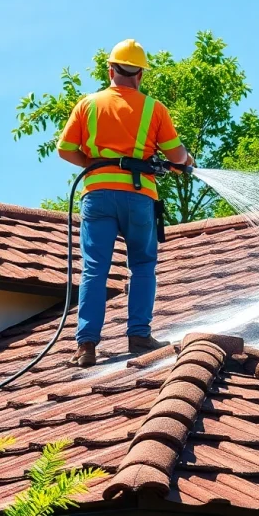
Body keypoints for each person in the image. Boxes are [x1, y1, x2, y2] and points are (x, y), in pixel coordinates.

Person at [56, 38, 195, 368]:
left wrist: (94, 164)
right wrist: (184, 159)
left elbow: (65, 149)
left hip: (98, 197)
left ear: (110, 70)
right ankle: (138, 336)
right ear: (140, 76)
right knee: (143, 265)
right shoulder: (153, 108)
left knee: (95, 269)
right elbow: (176, 156)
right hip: (138, 196)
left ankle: (86, 347)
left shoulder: (87, 104)